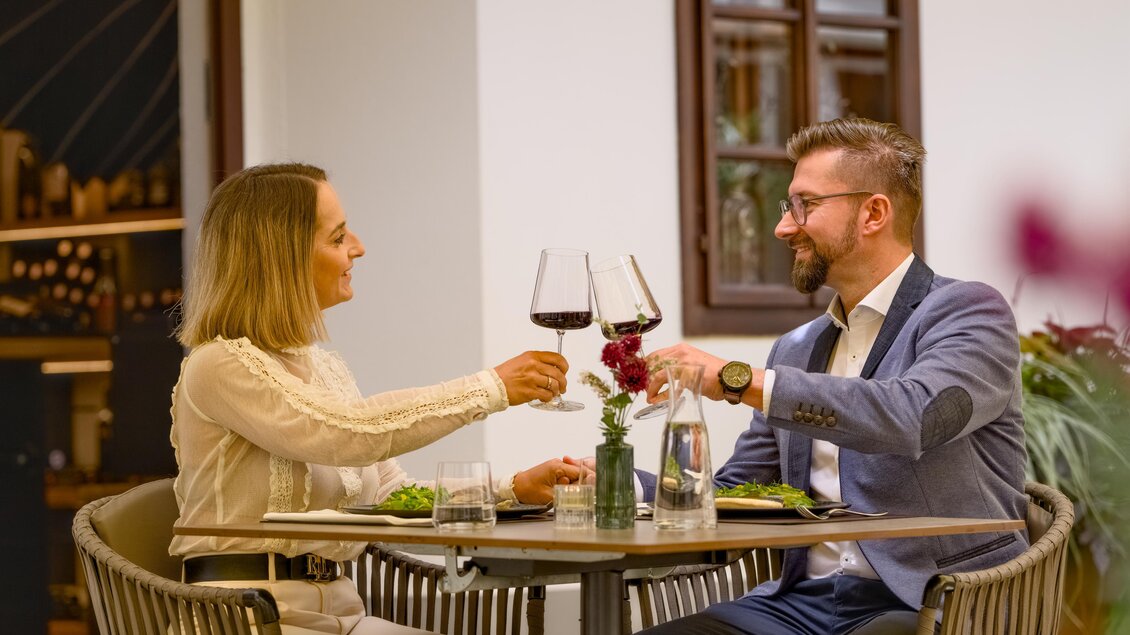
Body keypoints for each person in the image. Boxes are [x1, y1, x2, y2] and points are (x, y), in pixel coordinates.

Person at [626, 118, 1027, 634]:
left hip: (935, 601)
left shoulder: (968, 311)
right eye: (787, 206)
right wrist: (622, 484)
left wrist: (737, 379)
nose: (783, 227)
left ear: (873, 213)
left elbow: (916, 415)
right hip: (797, 605)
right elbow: (738, 490)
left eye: (805, 205)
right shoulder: (795, 349)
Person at [170, 163, 579, 634]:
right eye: (338, 237)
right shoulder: (219, 364)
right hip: (245, 618)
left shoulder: (324, 368)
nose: (358, 247)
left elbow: (390, 496)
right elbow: (346, 433)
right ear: (283, 256)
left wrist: (511, 490)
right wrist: (490, 388)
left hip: (341, 614)